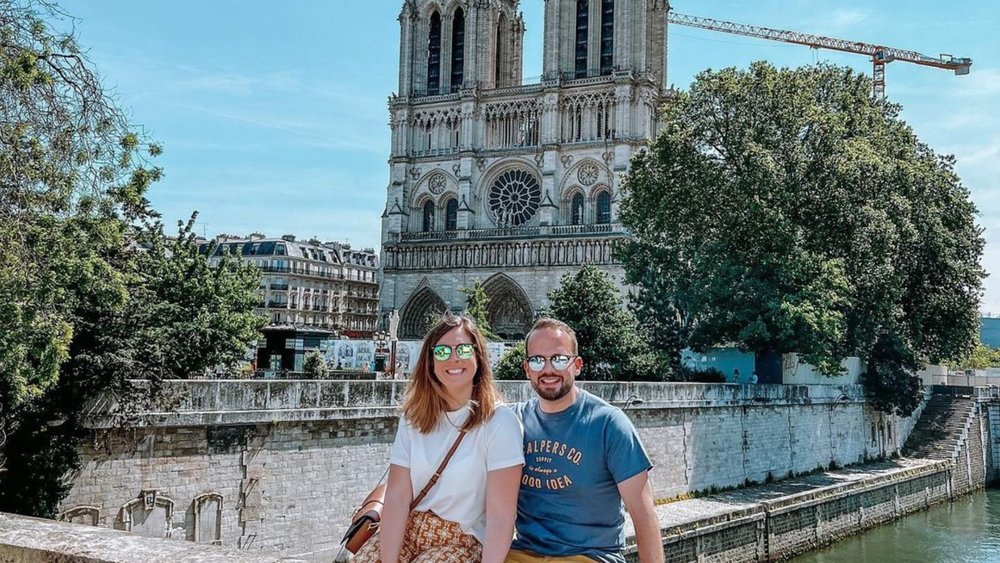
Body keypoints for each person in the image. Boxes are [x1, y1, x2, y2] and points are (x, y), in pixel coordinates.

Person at [354, 313, 524, 563]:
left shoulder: (499, 422)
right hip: (408, 530)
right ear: (430, 361)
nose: (454, 358)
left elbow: (501, 516)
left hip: (461, 540)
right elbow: (398, 497)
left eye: (463, 349)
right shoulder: (414, 417)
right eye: (442, 351)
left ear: (478, 356)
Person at [507, 318, 664, 563]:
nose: (548, 369)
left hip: (589, 557)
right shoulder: (512, 421)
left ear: (577, 365)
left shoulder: (608, 424)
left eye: (559, 359)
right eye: (537, 360)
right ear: (527, 369)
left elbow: (644, 515)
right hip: (524, 554)